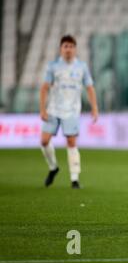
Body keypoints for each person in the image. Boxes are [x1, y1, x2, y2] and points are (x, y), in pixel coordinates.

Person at [39, 35, 98, 189]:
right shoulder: (53, 66)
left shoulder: (82, 67)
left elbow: (89, 87)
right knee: (44, 141)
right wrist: (42, 109)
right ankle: (53, 167)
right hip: (53, 109)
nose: (68, 49)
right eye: (65, 46)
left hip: (72, 110)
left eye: (71, 46)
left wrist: (94, 107)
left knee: (71, 141)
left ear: (75, 49)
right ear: (61, 49)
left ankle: (74, 179)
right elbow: (44, 88)